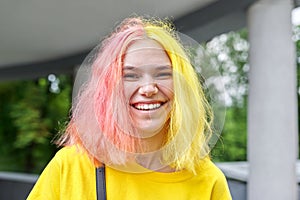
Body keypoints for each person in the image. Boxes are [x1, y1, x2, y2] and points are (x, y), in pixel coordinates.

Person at [27, 16, 232, 200]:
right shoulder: (69, 168)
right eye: (130, 75)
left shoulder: (208, 181)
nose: (149, 88)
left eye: (162, 74)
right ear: (108, 90)